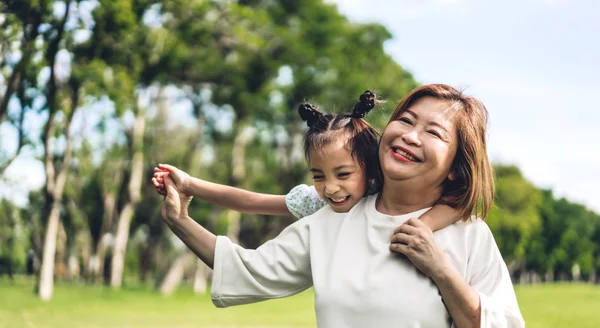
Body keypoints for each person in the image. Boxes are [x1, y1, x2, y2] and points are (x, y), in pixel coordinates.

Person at [159, 84, 527, 328]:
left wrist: (443, 271)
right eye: (406, 120)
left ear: (454, 166)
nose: (411, 135)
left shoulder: (468, 234)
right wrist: (180, 221)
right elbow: (247, 270)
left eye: (434, 132)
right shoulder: (331, 219)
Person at [152, 90, 460, 229]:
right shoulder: (317, 203)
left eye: (342, 174)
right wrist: (191, 184)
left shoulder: (390, 192)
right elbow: (250, 201)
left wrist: (423, 226)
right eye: (318, 176)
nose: (330, 188)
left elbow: (460, 201)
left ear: (370, 166)